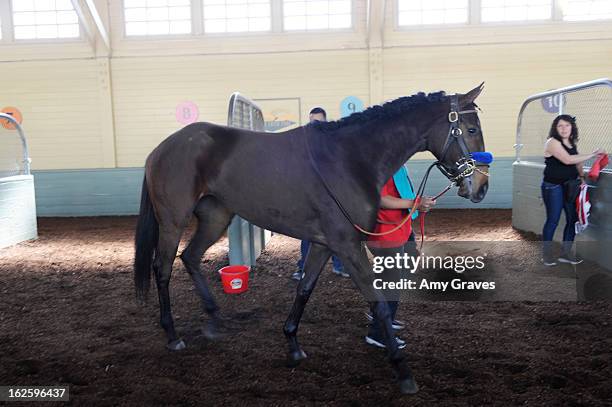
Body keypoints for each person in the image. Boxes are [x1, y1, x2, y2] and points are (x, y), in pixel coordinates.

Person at [365, 165, 435, 349]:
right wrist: (415, 203)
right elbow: (381, 199)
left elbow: (403, 192)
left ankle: (382, 314)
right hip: (386, 231)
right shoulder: (381, 163)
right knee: (392, 282)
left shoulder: (398, 164)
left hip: (400, 227)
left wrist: (419, 204)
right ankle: (378, 333)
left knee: (401, 273)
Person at [541, 114, 606, 266]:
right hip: (553, 187)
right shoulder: (552, 142)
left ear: (572, 127)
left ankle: (566, 253)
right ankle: (547, 254)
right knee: (553, 220)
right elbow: (568, 160)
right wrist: (593, 154)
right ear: (555, 128)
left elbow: (577, 162)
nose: (564, 129)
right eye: (560, 126)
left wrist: (582, 177)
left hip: (570, 186)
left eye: (567, 125)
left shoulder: (571, 142)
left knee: (572, 219)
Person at [293, 107, 348, 281]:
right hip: (310, 196)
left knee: (335, 231)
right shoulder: (304, 144)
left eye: (317, 121)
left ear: (325, 121)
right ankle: (303, 268)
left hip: (331, 196)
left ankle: (339, 265)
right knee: (308, 233)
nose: (313, 125)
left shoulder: (334, 142)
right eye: (311, 121)